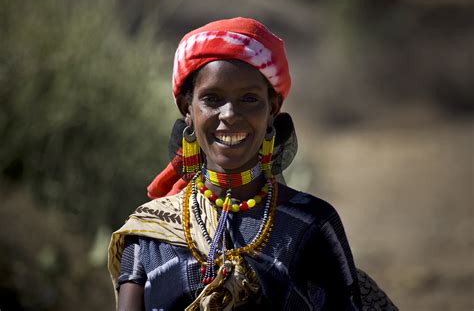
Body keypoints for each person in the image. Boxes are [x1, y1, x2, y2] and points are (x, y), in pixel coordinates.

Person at [108, 17, 397, 310]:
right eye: (212, 98)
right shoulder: (148, 232)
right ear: (187, 110)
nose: (230, 114)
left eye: (249, 98)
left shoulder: (312, 225)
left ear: (272, 109)